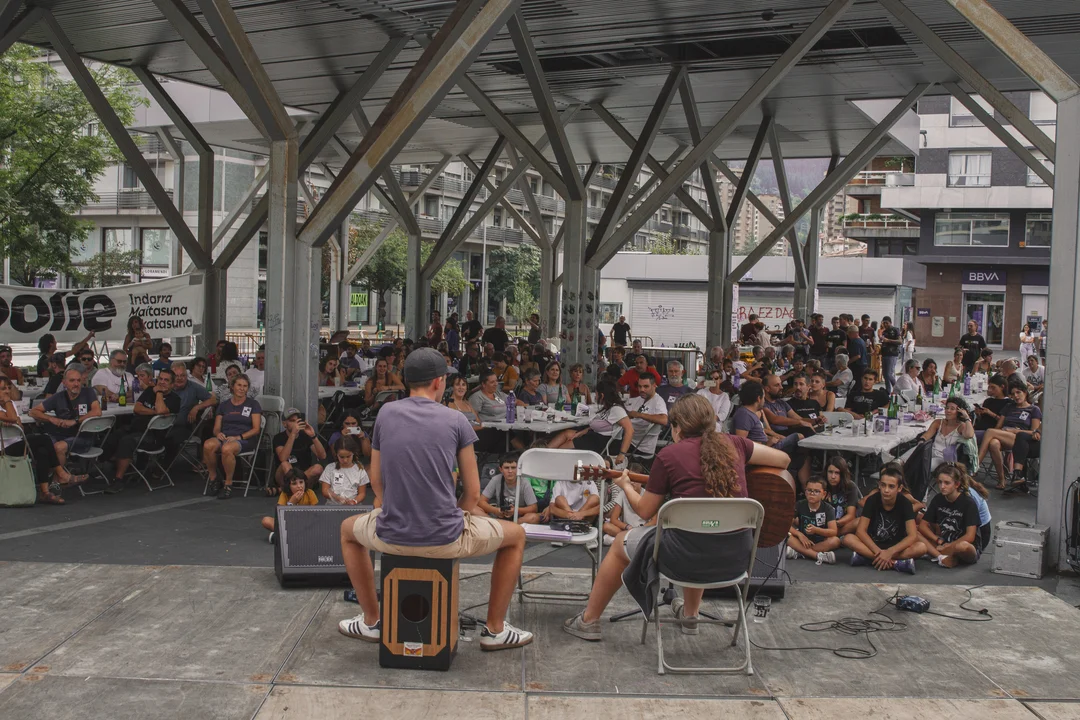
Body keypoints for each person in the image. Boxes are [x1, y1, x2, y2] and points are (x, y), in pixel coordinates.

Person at [337, 347, 534, 651]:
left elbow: (376, 481)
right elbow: (472, 492)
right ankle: (495, 629)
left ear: (407, 380)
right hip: (445, 537)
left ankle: (372, 621)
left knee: (347, 531)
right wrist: (457, 515)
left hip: (391, 533)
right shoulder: (456, 420)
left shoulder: (385, 414)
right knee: (516, 535)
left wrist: (395, 508)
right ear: (439, 382)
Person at [562, 393, 790, 641]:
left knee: (621, 544)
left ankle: (588, 620)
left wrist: (626, 485)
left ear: (677, 427)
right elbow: (784, 459)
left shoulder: (668, 456)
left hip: (681, 560)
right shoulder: (736, 444)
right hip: (736, 558)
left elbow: (644, 511)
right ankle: (690, 616)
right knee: (702, 531)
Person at [0, 376, 87, 504]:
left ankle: (45, 492)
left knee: (42, 450)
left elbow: (20, 427)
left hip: (17, 442)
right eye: (3, 389)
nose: (7, 391)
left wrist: (12, 418)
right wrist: (9, 407)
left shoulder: (11, 404)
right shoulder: (9, 403)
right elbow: (14, 419)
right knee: (44, 438)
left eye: (8, 388)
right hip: (3, 448)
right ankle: (61, 474)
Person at [105, 368, 181, 492]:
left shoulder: (175, 399)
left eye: (166, 380)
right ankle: (115, 464)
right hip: (136, 428)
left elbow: (161, 410)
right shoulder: (149, 391)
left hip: (154, 437)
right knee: (113, 436)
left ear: (172, 385)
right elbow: (137, 409)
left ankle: (118, 480)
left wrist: (159, 393)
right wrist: (154, 412)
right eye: (160, 379)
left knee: (126, 442)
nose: (162, 382)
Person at [842, 464, 927, 574]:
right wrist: (880, 552)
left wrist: (890, 552)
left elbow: (912, 535)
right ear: (879, 485)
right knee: (848, 539)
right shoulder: (871, 500)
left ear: (899, 488)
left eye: (891, 486)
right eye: (883, 485)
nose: (886, 490)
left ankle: (868, 559)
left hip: (896, 547)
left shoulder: (905, 503)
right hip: (873, 545)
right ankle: (896, 563)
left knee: (921, 547)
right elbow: (861, 531)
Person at [30, 366, 102, 482]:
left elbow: (97, 411)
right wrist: (51, 419)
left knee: (59, 447)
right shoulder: (58, 397)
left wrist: (75, 421)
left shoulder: (88, 392)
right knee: (43, 446)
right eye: (72, 380)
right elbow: (33, 411)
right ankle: (53, 479)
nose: (76, 384)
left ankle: (56, 480)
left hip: (82, 437)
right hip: (59, 434)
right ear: (64, 382)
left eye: (78, 380)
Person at [203, 374, 261, 500]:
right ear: (232, 386)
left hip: (244, 438)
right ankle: (214, 478)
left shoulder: (253, 404)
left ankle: (228, 484)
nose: (242, 388)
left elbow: (256, 429)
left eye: (245, 386)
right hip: (226, 436)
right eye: (239, 385)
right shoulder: (224, 405)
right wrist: (218, 433)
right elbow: (216, 428)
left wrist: (239, 437)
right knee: (208, 445)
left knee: (227, 448)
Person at [548, 379, 633, 466]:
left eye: (596, 394)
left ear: (602, 395)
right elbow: (601, 425)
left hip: (601, 441)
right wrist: (582, 432)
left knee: (562, 448)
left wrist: (622, 453)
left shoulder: (616, 409)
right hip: (594, 435)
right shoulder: (607, 407)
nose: (595, 397)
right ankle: (545, 455)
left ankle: (552, 463)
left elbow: (629, 429)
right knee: (566, 434)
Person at [977, 383, 1041, 492]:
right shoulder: (1008, 407)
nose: (1015, 396)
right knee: (993, 443)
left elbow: (1034, 432)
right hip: (1003, 434)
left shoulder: (1034, 409)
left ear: (1025, 393)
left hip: (1020, 439)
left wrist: (1015, 431)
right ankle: (1002, 480)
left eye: (1018, 392)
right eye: (1012, 394)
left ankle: (976, 464)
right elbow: (998, 426)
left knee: (990, 431)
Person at [916, 463, 981, 567]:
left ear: (957, 484)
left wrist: (949, 546)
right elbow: (923, 525)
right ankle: (941, 557)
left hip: (961, 545)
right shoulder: (938, 499)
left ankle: (937, 553)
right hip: (942, 541)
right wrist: (937, 540)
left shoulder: (968, 503)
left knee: (962, 546)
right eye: (940, 482)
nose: (942, 486)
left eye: (947, 483)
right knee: (914, 531)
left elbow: (970, 536)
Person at [786, 477, 840, 564]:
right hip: (802, 540)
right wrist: (799, 534)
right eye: (809, 490)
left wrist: (816, 530)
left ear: (824, 494)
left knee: (835, 541)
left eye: (816, 491)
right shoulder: (799, 504)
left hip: (820, 542)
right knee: (786, 536)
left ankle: (800, 552)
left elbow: (833, 531)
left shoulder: (828, 508)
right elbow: (786, 525)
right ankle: (817, 555)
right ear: (805, 491)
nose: (812, 494)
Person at [273, 408, 327, 492]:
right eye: (292, 421)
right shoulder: (278, 437)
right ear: (284, 424)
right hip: (285, 476)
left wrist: (313, 436)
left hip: (304, 474)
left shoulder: (305, 435)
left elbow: (322, 456)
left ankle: (287, 489)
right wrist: (293, 434)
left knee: (318, 468)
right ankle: (294, 488)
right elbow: (283, 458)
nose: (296, 424)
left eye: (297, 420)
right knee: (285, 464)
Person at [477, 453, 539, 523]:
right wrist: (495, 510)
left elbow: (534, 508)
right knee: (474, 510)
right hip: (499, 516)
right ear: (501, 469)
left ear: (518, 469)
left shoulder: (525, 482)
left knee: (534, 517)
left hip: (518, 518)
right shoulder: (496, 479)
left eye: (513, 467)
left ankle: (511, 526)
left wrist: (516, 510)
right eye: (506, 468)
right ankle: (497, 524)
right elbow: (480, 501)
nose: (510, 471)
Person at [918, 397, 977, 469]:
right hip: (931, 451)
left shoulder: (961, 426)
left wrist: (967, 417)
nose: (948, 411)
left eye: (952, 409)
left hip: (944, 458)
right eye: (947, 408)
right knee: (908, 459)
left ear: (959, 412)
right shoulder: (938, 422)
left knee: (923, 466)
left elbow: (969, 435)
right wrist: (921, 442)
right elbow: (926, 436)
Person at [261, 469, 319, 541]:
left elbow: (315, 514)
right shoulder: (284, 494)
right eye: (294, 484)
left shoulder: (310, 493)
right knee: (266, 520)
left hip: (306, 523)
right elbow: (280, 516)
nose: (299, 486)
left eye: (301, 482)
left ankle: (283, 536)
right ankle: (296, 536)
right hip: (289, 524)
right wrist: (291, 503)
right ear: (289, 486)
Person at [625, 373, 668, 456]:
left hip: (640, 446)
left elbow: (664, 420)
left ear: (654, 386)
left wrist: (639, 415)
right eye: (639, 386)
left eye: (646, 386)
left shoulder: (658, 401)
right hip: (628, 438)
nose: (642, 390)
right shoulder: (638, 399)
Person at [320, 436, 369, 505]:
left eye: (348, 456)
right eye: (342, 457)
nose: (345, 460)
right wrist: (337, 497)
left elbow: (362, 493)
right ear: (336, 454)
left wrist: (354, 501)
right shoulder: (330, 468)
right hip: (332, 506)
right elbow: (325, 491)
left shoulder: (359, 469)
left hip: (353, 507)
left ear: (353, 453)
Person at [823, 456, 860, 536]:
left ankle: (832, 534)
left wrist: (834, 524)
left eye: (837, 473)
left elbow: (851, 515)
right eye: (830, 472)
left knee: (859, 521)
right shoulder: (821, 485)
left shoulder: (850, 487)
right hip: (822, 524)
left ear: (843, 474)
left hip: (841, 525)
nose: (833, 476)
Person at [878, 316, 902, 393]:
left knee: (889, 374)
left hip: (892, 354)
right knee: (885, 374)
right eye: (884, 323)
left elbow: (900, 341)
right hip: (884, 354)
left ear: (890, 322)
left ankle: (897, 389)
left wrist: (888, 340)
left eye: (887, 323)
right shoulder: (884, 332)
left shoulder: (895, 330)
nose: (885, 324)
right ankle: (888, 390)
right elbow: (883, 342)